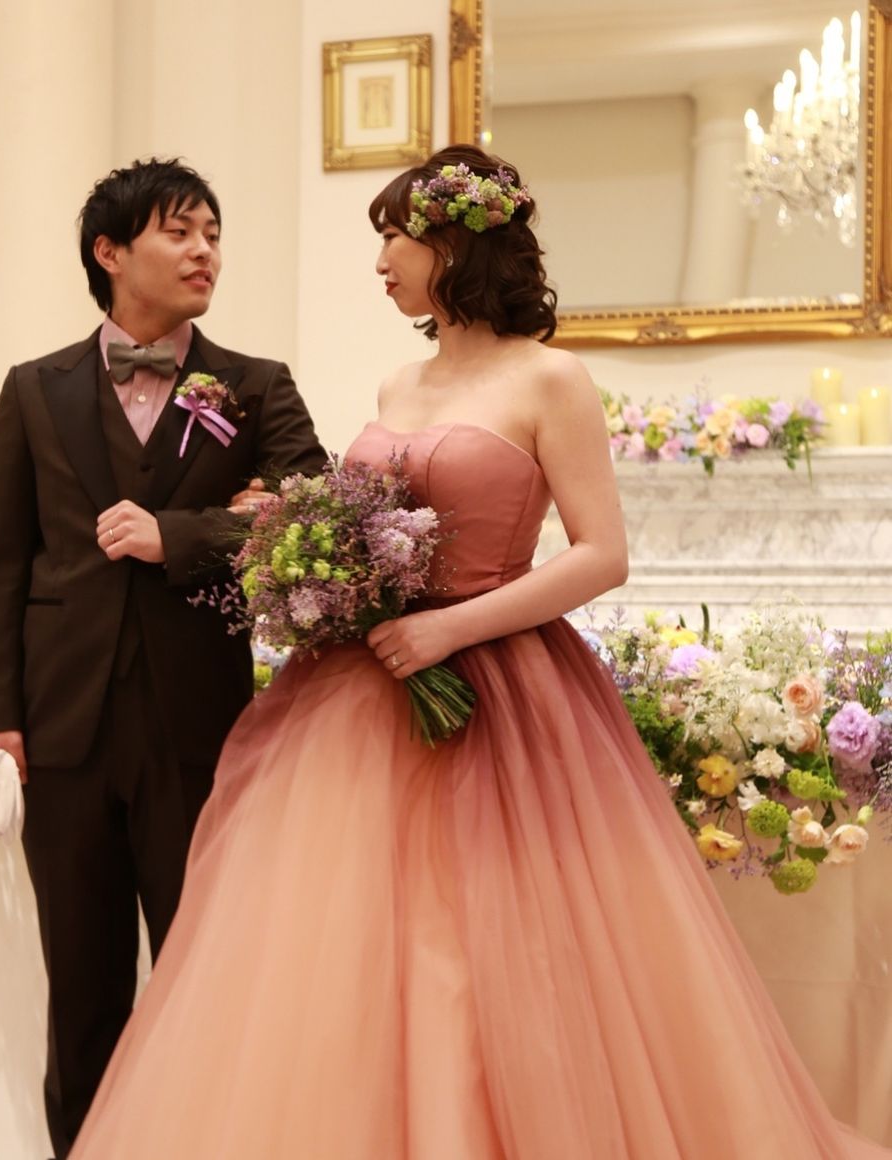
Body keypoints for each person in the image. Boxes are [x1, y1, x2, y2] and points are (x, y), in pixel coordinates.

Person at [69, 146, 888, 1159]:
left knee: (493, 941)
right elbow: (363, 516)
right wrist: (309, 554)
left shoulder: (550, 377)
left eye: (393, 238)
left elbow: (601, 554)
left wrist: (449, 627)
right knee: (349, 949)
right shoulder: (398, 378)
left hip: (504, 687)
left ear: (452, 244)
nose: (380, 261)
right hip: (361, 687)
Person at [0, 157, 325, 1160]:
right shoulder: (33, 389)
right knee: (80, 999)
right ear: (110, 251)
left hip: (198, 733)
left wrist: (184, 534)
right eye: (180, 231)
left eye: (213, 232)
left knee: (207, 984)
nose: (205, 251)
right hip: (63, 735)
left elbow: (319, 519)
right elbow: (0, 564)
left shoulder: (254, 385)